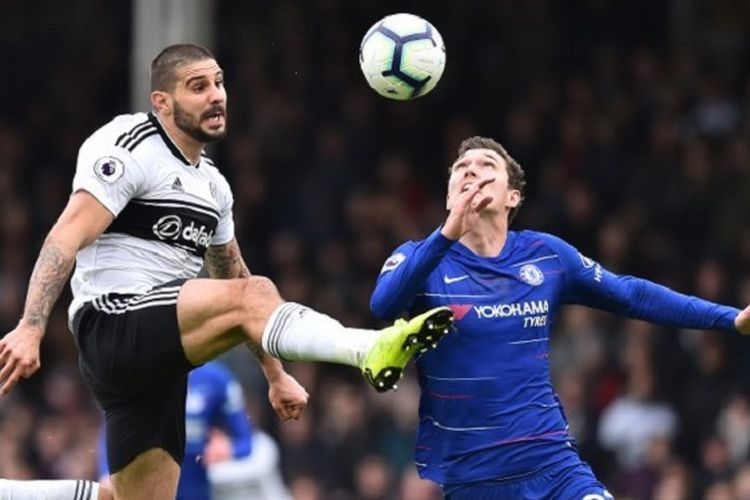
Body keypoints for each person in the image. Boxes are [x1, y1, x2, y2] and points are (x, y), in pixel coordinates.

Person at [0, 43, 453, 500]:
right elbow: (64, 236)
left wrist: (275, 375)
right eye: (198, 87)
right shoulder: (129, 144)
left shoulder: (213, 185)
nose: (216, 95)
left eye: (218, 82)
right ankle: (367, 347)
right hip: (113, 321)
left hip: (159, 356)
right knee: (255, 291)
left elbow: (230, 278)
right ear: (162, 102)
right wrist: (30, 326)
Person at [370, 135, 750, 499]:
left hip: (554, 466)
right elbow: (383, 305)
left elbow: (631, 294)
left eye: (486, 165)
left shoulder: (546, 256)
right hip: (473, 478)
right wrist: (447, 234)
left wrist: (730, 318)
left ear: (512, 196)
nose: (470, 171)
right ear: (449, 192)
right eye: (461, 167)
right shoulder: (422, 258)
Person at [97, 361, 254, 500]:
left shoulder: (218, 379)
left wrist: (229, 449)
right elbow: (112, 430)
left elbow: (246, 442)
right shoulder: (141, 375)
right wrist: (106, 472)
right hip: (146, 485)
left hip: (198, 490)